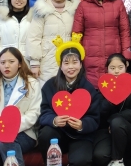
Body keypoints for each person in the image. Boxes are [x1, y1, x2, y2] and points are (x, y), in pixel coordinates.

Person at [38, 38, 101, 166]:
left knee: (81, 161)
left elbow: (95, 118)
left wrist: (82, 125)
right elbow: (44, 112)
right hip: (58, 133)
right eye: (66, 63)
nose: (70, 67)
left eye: (75, 62)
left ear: (81, 65)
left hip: (81, 136)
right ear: (60, 66)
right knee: (45, 134)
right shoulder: (50, 86)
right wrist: (54, 120)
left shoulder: (88, 88)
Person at [0, 47, 41, 166]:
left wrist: (9, 129)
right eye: (2, 62)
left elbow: (34, 113)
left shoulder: (32, 83)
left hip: (24, 132)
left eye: (11, 62)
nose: (6, 66)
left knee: (3, 141)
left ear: (19, 64)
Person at [73, 0, 131, 85]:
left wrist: (126, 55)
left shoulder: (118, 4)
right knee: (92, 88)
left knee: (114, 87)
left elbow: (125, 31)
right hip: (89, 55)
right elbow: (77, 33)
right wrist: (77, 56)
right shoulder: (83, 5)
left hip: (114, 54)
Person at [92, 54, 131, 166]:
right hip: (107, 131)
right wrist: (109, 100)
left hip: (129, 127)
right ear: (107, 69)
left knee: (116, 122)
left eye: (120, 67)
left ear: (126, 66)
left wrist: (113, 119)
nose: (116, 71)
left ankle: (118, 159)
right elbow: (98, 111)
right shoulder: (104, 85)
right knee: (100, 156)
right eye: (112, 68)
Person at [28, 0, 81, 82]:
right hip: (48, 59)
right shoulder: (41, 9)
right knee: (49, 87)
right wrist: (34, 63)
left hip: (70, 58)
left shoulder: (75, 9)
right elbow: (33, 37)